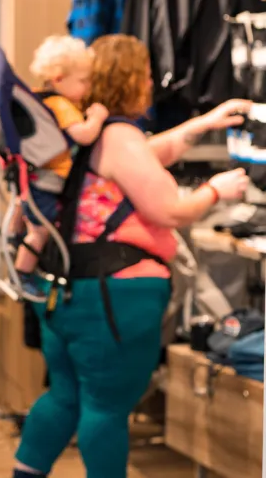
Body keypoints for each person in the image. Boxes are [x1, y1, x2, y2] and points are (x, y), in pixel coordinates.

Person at [13, 34, 251, 478]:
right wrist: (218, 190)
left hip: (65, 290)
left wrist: (203, 124)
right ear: (132, 80)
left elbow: (146, 152)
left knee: (64, 398)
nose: (150, 82)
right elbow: (170, 209)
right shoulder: (119, 137)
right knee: (107, 408)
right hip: (115, 295)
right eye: (144, 75)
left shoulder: (86, 131)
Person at [13, 35, 110, 281]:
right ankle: (23, 275)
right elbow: (84, 135)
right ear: (58, 78)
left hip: (33, 176)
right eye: (83, 81)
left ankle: (15, 238)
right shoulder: (61, 104)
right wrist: (97, 117)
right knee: (40, 232)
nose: (87, 88)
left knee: (31, 219)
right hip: (49, 179)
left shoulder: (38, 97)